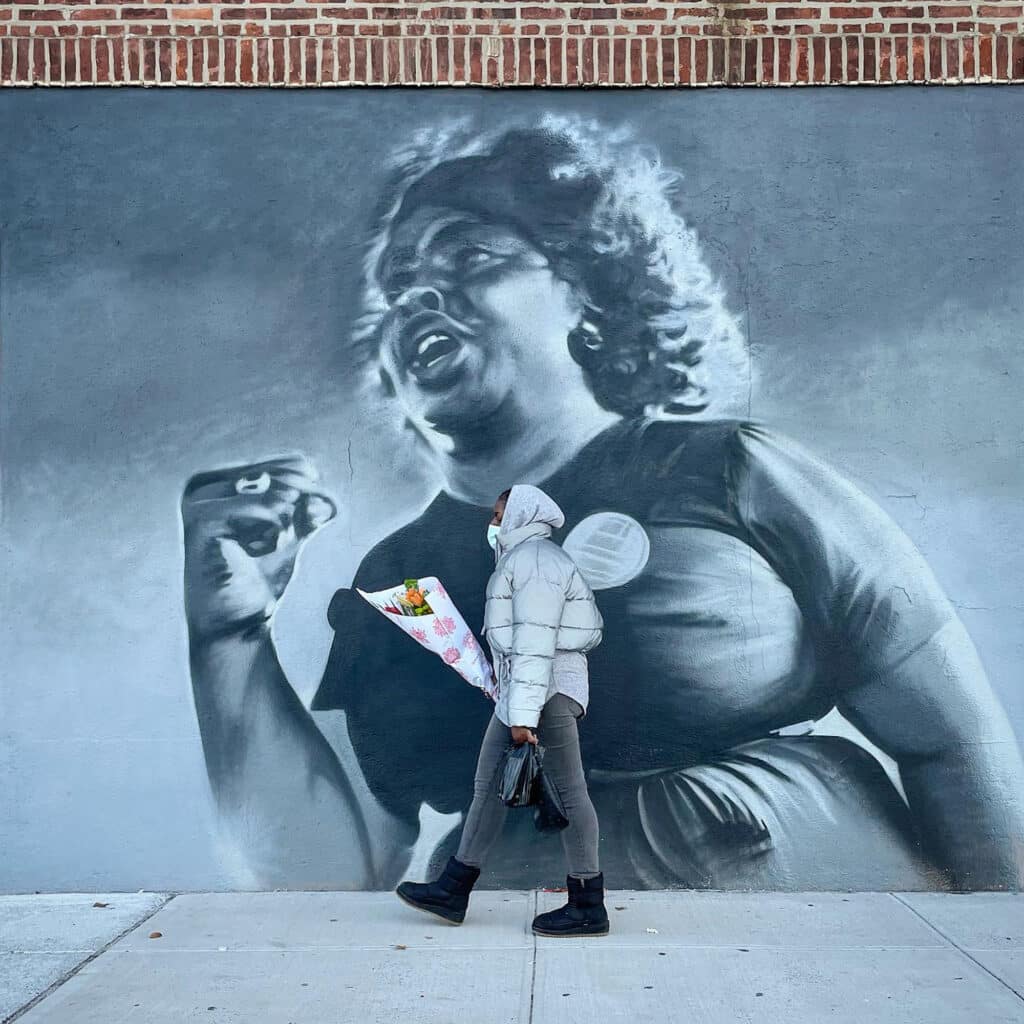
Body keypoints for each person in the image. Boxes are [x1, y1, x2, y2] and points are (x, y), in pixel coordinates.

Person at [181, 116, 1024, 893]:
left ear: (589, 290)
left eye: (466, 257)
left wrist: (995, 956)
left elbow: (955, 745)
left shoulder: (730, 471)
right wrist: (228, 637)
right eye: (400, 288)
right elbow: (330, 867)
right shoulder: (400, 577)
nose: (421, 298)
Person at [396, 485, 608, 935]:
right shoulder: (524, 559)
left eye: (498, 515)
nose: (492, 524)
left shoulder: (533, 562)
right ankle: (453, 890)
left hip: (543, 693)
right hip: (526, 692)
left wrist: (523, 717)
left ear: (520, 515)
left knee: (569, 791)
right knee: (488, 785)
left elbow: (535, 642)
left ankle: (588, 903)